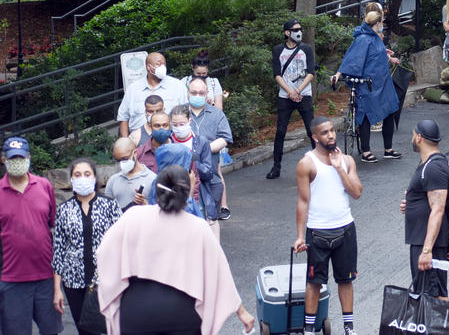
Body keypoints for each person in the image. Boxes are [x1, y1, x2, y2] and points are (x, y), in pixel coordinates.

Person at [96, 164, 256, 335]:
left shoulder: (133, 217)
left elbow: (103, 253)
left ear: (156, 189)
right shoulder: (198, 227)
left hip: (136, 309)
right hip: (182, 311)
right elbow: (219, 271)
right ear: (187, 192)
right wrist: (241, 311)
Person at [294, 117, 363, 335]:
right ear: (315, 137)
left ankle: (349, 328)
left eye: (332, 131)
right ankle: (309, 329)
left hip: (345, 228)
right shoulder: (306, 164)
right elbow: (303, 201)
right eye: (324, 132)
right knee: (314, 282)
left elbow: (357, 193)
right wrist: (300, 236)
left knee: (346, 280)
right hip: (317, 231)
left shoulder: (347, 160)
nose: (331, 135)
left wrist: (339, 168)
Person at [53, 157, 122, 335]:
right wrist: (57, 290)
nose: (82, 177)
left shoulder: (109, 205)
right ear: (71, 179)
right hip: (73, 281)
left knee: (109, 327)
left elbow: (121, 243)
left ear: (94, 177)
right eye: (77, 174)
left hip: (105, 280)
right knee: (84, 328)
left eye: (86, 174)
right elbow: (59, 251)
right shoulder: (64, 210)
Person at [0, 136, 61, 335]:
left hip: (45, 276)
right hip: (11, 279)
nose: (17, 162)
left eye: (21, 157)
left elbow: (53, 225)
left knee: (51, 331)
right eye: (12, 158)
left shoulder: (44, 186)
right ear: (4, 160)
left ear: (29, 158)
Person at [333, 10, 402, 163]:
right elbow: (352, 59)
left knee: (390, 110)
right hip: (368, 83)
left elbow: (374, 54)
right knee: (364, 115)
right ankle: (366, 152)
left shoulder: (373, 37)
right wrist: (339, 74)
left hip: (382, 82)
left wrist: (387, 55)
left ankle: (388, 149)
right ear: (377, 23)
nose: (382, 25)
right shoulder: (363, 39)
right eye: (381, 23)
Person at [399, 120, 449, 300]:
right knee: (429, 295)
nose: (412, 138)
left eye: (413, 135)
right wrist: (412, 204)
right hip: (423, 241)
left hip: (429, 245)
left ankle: (436, 330)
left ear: (419, 137)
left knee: (434, 299)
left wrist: (427, 251)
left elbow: (438, 209)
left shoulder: (434, 167)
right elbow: (428, 200)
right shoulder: (428, 164)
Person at [268, 18, 317, 179]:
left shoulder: (306, 49)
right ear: (287, 33)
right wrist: (290, 91)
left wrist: (297, 91)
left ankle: (320, 165)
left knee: (312, 131)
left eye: (300, 29)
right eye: (295, 30)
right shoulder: (278, 50)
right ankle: (276, 167)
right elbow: (277, 74)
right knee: (280, 131)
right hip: (285, 95)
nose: (299, 32)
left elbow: (311, 73)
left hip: (304, 94)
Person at [167, 105, 221, 233]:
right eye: (175, 125)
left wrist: (190, 159)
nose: (179, 128)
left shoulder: (201, 142)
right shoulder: (168, 142)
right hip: (175, 195)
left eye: (182, 124)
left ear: (189, 122)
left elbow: (209, 173)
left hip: (199, 194)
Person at [187, 77, 234, 220]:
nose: (197, 96)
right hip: (184, 177)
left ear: (207, 93)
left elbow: (225, 138)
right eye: (194, 92)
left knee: (212, 219)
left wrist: (203, 150)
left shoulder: (217, 114)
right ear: (187, 93)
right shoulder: (179, 113)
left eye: (201, 93)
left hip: (210, 176)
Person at [117, 52, 186, 138]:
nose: (162, 67)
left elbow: (186, 112)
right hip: (139, 140)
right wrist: (126, 142)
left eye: (164, 65)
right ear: (148, 67)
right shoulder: (133, 89)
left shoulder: (177, 85)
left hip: (170, 139)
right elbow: (123, 118)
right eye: (158, 64)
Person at [105, 138, 154, 210]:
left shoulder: (152, 179)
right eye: (118, 160)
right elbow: (107, 209)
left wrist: (145, 203)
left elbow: (158, 211)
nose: (122, 163)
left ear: (135, 153)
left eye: (125, 158)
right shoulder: (113, 180)